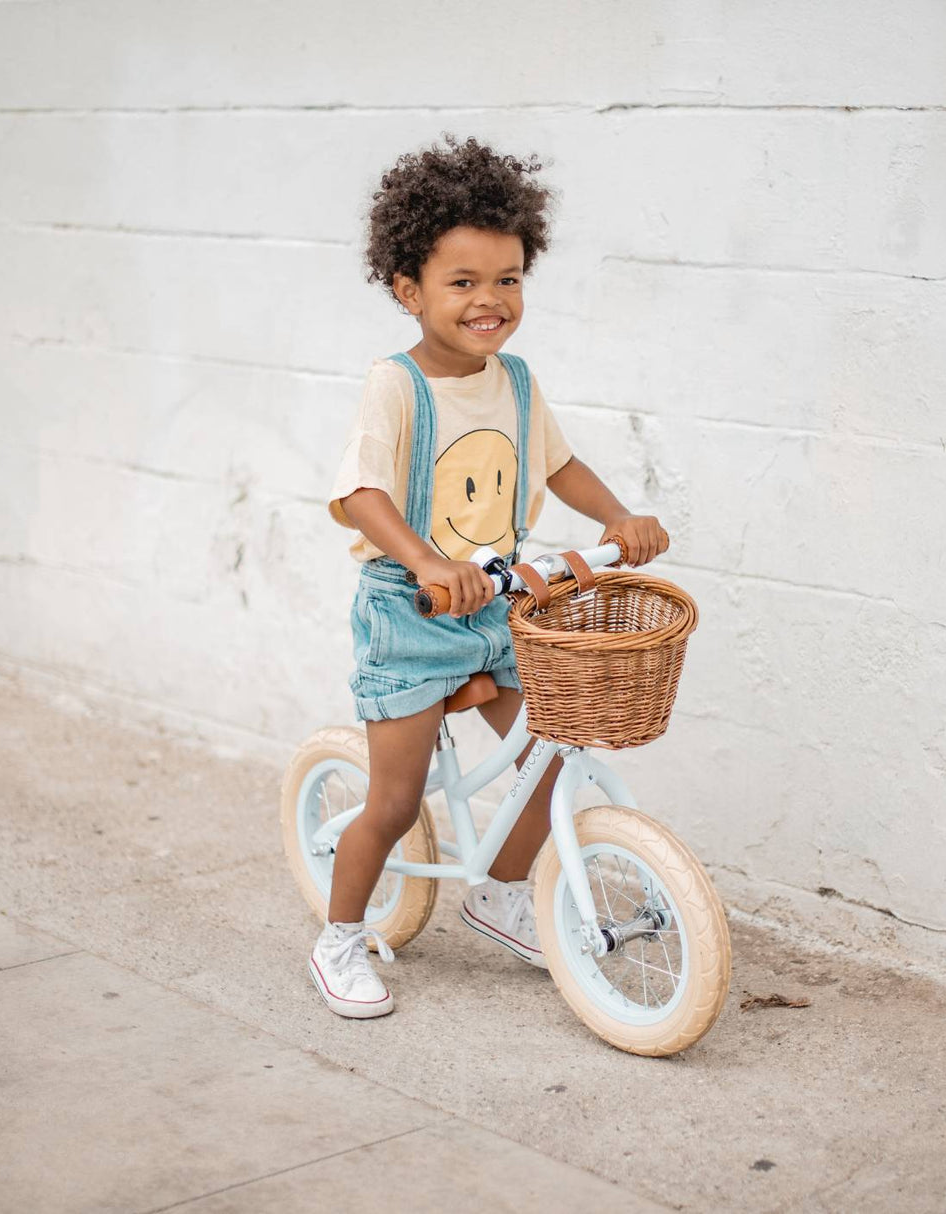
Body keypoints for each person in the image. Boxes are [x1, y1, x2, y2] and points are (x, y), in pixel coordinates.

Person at [315, 136, 669, 1018]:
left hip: (500, 603)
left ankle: (499, 893)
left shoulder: (515, 380)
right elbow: (360, 494)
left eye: (508, 279)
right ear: (409, 291)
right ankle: (338, 939)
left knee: (549, 757)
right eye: (463, 282)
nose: (489, 301)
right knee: (395, 801)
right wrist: (430, 562)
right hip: (413, 610)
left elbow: (558, 465)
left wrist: (617, 518)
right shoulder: (395, 387)